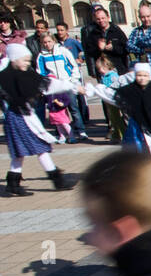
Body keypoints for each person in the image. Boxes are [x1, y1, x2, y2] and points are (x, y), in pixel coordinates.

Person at [0, 44, 79, 195]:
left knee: (21, 152)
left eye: (28, 61)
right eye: (24, 60)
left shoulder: (24, 75)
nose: (27, 63)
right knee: (39, 147)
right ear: (14, 59)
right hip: (19, 118)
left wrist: (73, 86)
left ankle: (13, 184)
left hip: (20, 116)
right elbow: (46, 85)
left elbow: (48, 84)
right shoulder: (7, 77)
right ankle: (57, 180)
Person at [35, 30, 90, 142]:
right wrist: (48, 84)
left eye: (49, 41)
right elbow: (40, 72)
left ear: (53, 41)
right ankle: (61, 133)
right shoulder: (41, 55)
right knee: (56, 109)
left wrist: (73, 80)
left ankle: (81, 131)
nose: (47, 44)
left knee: (73, 108)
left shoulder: (63, 51)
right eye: (44, 42)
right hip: (54, 87)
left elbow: (73, 66)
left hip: (67, 83)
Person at [55, 22, 91, 131]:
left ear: (67, 30)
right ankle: (75, 121)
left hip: (76, 73)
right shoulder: (56, 44)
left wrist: (80, 60)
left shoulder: (73, 42)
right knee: (71, 100)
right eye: (58, 30)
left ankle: (85, 118)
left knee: (80, 96)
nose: (60, 32)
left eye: (62, 30)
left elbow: (84, 51)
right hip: (65, 75)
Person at [82, 4, 129, 75]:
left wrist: (113, 48)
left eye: (103, 18)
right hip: (102, 71)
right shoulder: (93, 34)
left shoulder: (117, 31)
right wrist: (99, 48)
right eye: (98, 19)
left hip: (118, 69)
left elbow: (126, 49)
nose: (101, 21)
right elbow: (89, 52)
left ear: (108, 17)